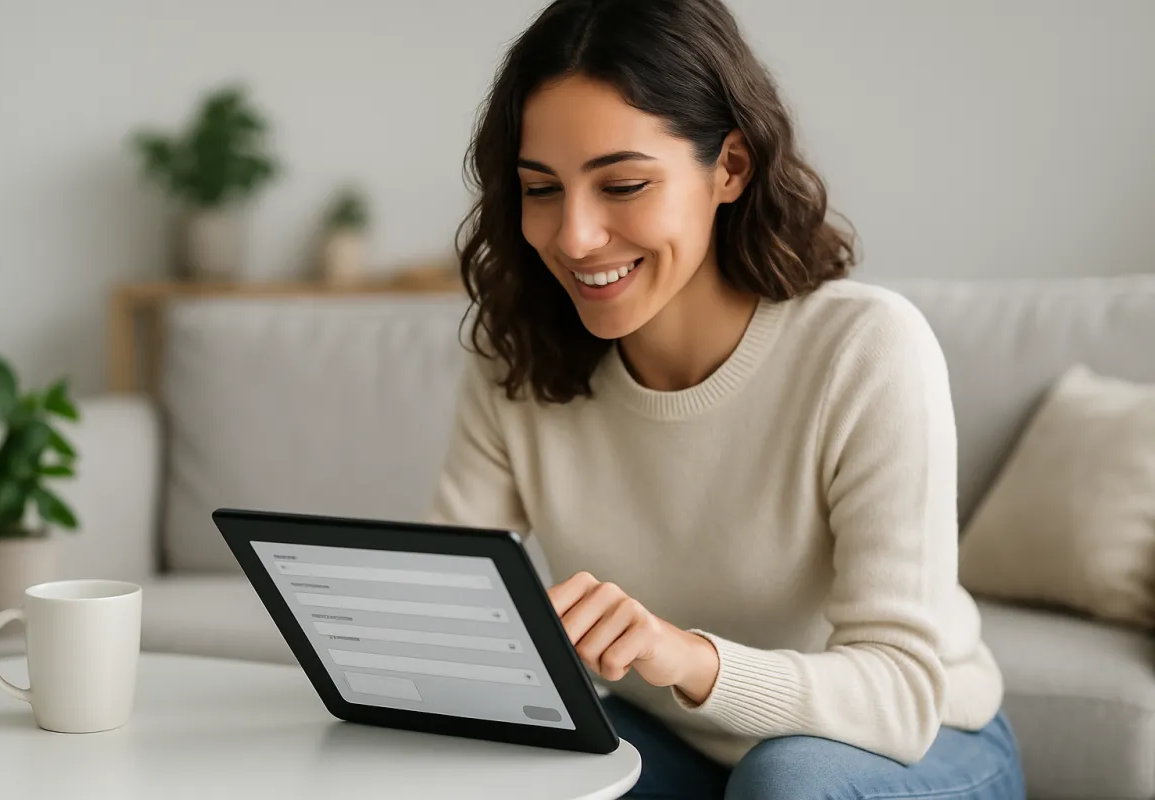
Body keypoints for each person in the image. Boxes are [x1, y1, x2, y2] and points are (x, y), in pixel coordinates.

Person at [425, 0, 1026, 797]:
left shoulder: (865, 348)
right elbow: (449, 603)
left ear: (731, 167)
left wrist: (687, 657)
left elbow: (900, 692)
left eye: (624, 184)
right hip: (677, 741)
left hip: (908, 744)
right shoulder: (520, 356)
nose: (573, 237)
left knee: (787, 780)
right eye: (541, 190)